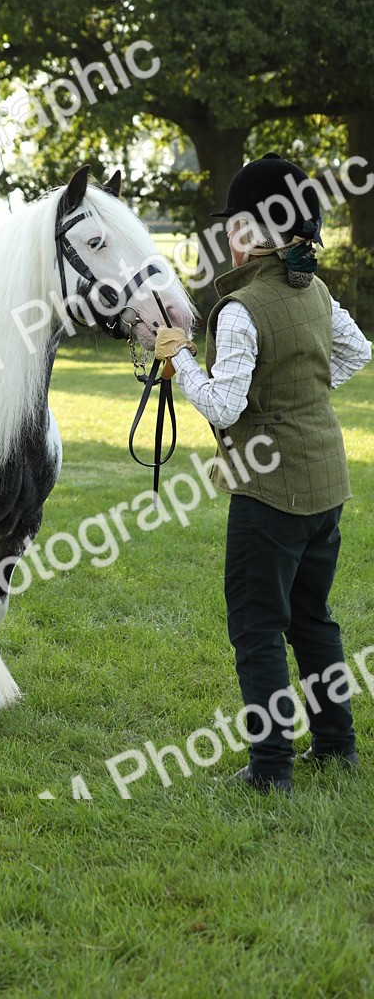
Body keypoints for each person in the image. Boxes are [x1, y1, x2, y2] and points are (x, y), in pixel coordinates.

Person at [154, 152, 372, 794]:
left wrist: (181, 362)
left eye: (233, 222)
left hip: (269, 490)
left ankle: (270, 768)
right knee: (313, 618)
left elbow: (225, 405)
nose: (227, 233)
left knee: (257, 628)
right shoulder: (317, 289)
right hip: (327, 481)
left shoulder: (242, 308)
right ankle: (336, 745)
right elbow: (358, 352)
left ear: (253, 229)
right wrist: (303, 391)